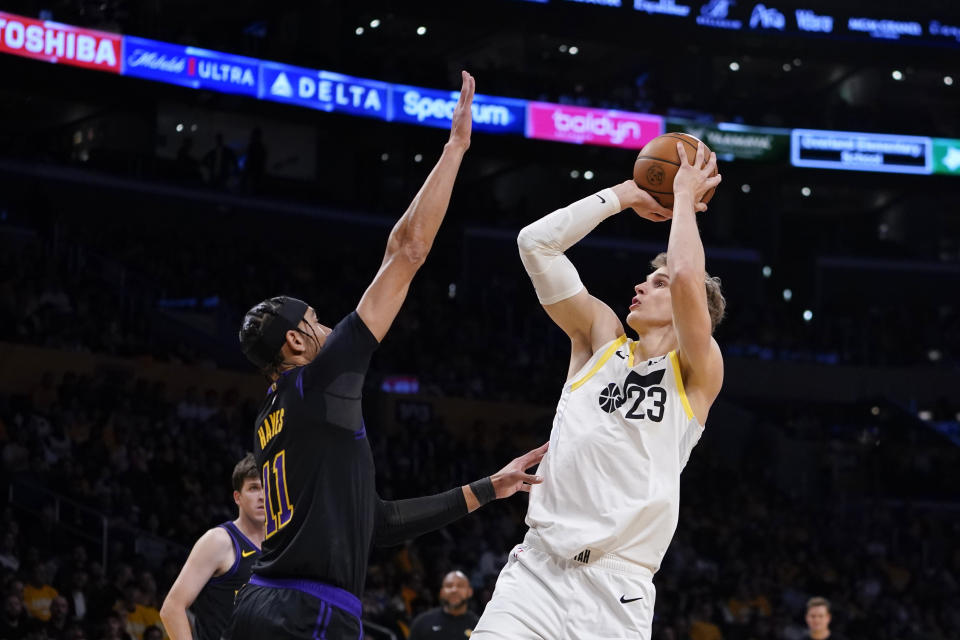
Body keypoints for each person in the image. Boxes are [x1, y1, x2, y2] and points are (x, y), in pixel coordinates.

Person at [226, 71, 547, 640]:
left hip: (260, 604)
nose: (328, 326)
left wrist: (486, 488)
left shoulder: (269, 417)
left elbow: (376, 522)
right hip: (306, 613)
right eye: (316, 321)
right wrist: (455, 148)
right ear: (296, 342)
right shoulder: (320, 380)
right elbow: (408, 249)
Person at [472, 141, 725, 640]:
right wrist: (625, 194)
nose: (640, 286)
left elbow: (689, 280)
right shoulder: (599, 338)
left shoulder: (698, 371)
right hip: (537, 573)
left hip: (618, 589)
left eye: (656, 283)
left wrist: (682, 197)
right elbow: (535, 244)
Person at [160, 454, 264, 640]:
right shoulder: (219, 541)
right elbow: (172, 609)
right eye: (254, 488)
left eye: (268, 488)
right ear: (237, 497)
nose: (262, 497)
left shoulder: (280, 547)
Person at [408, 571, 479, 640]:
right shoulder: (422, 623)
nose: (454, 590)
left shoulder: (479, 626)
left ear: (470, 592)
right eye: (449, 586)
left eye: (460, 586)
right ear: (441, 592)